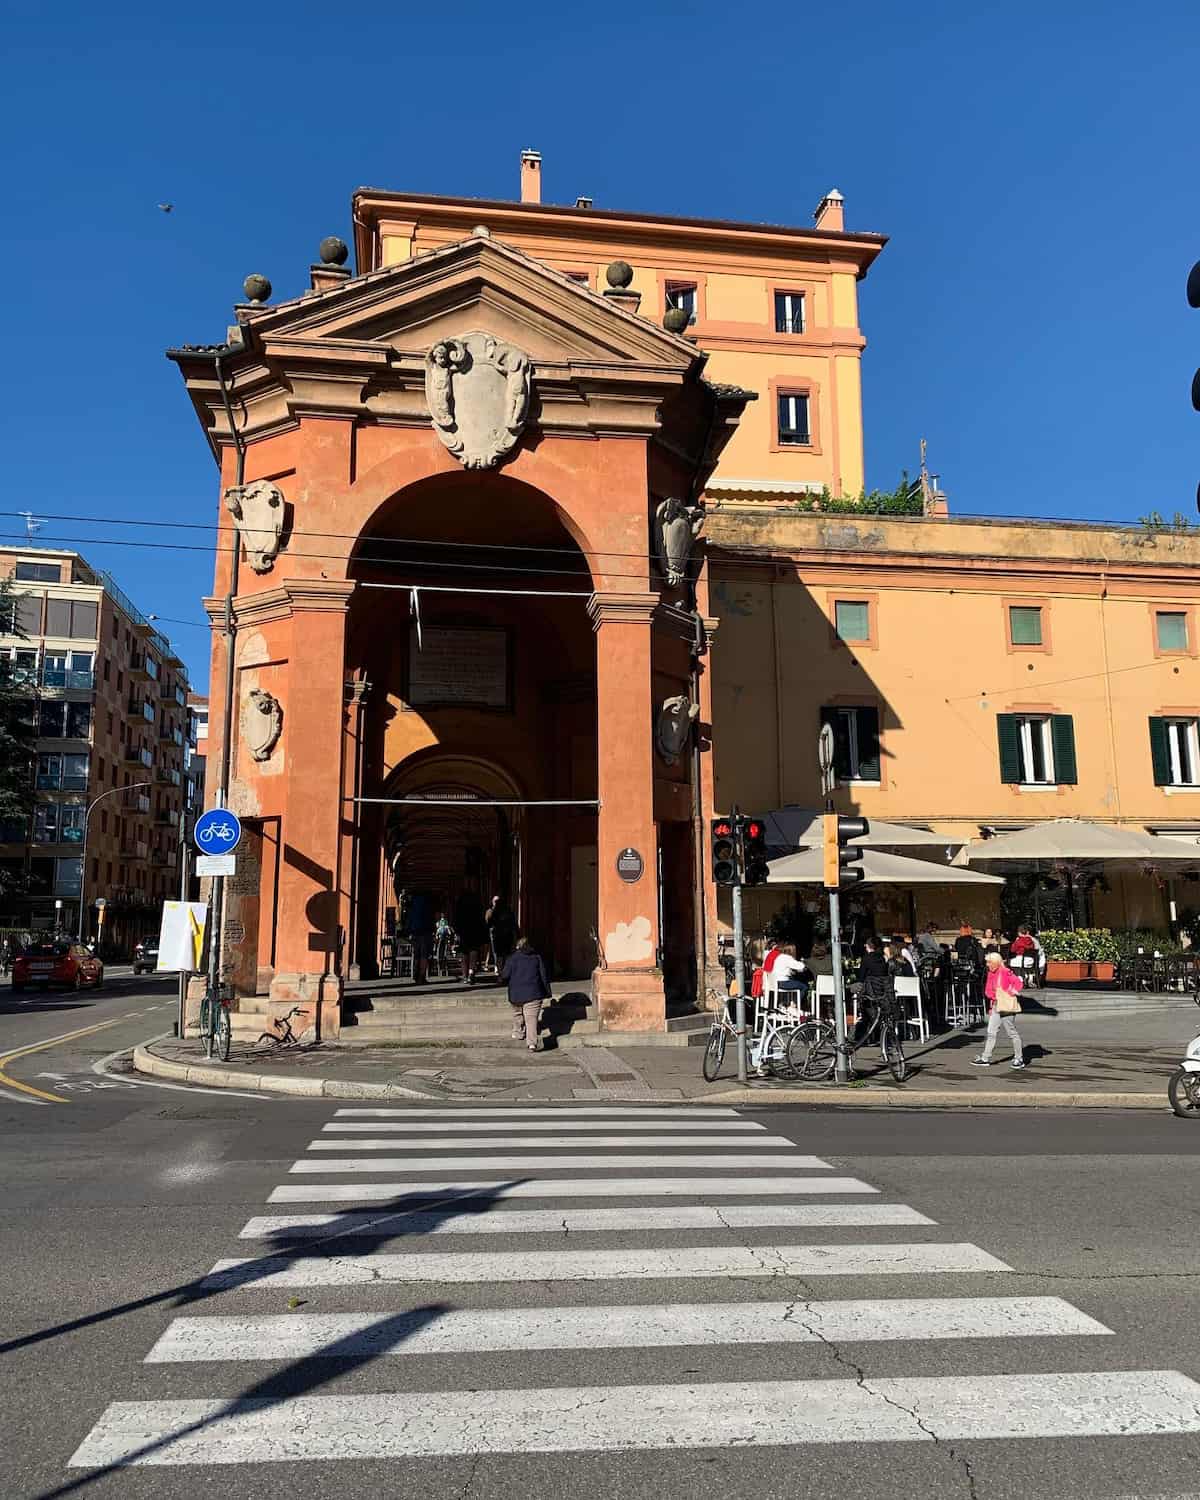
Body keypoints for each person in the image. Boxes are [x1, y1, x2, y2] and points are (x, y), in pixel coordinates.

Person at [973, 951, 1026, 1069]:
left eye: (989, 962)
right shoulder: (991, 973)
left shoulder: (1005, 971)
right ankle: (985, 1057)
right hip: (996, 1005)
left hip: (1006, 1006)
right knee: (991, 1032)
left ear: (996, 962)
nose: (987, 964)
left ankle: (1019, 1058)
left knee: (1011, 1032)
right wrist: (992, 1005)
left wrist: (1010, 992)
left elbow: (1018, 983)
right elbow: (988, 990)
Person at [501, 936, 551, 1052]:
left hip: (516, 994)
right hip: (534, 993)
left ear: (517, 947)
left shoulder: (512, 959)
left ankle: (518, 1032)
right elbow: (543, 976)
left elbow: (505, 975)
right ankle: (532, 1044)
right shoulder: (536, 958)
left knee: (518, 1013)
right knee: (531, 1019)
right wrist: (547, 992)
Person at [453, 884, 488, 985]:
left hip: (464, 930)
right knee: (473, 950)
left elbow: (456, 917)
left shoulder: (460, 902)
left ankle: (465, 976)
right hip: (475, 930)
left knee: (464, 952)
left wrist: (456, 930)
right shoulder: (477, 901)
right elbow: (481, 917)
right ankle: (471, 971)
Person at [405, 887, 435, 985]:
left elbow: (409, 916)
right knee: (424, 955)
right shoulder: (428, 902)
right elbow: (432, 916)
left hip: (415, 931)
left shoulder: (412, 903)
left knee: (417, 953)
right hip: (425, 930)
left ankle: (416, 974)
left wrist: (408, 929)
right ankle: (421, 976)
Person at [486, 896, 517, 972]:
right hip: (507, 936)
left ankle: (500, 971)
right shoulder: (508, 910)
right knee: (506, 954)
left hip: (497, 936)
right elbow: (513, 923)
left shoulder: (493, 911)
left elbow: (489, 923)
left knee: (499, 954)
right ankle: (505, 971)